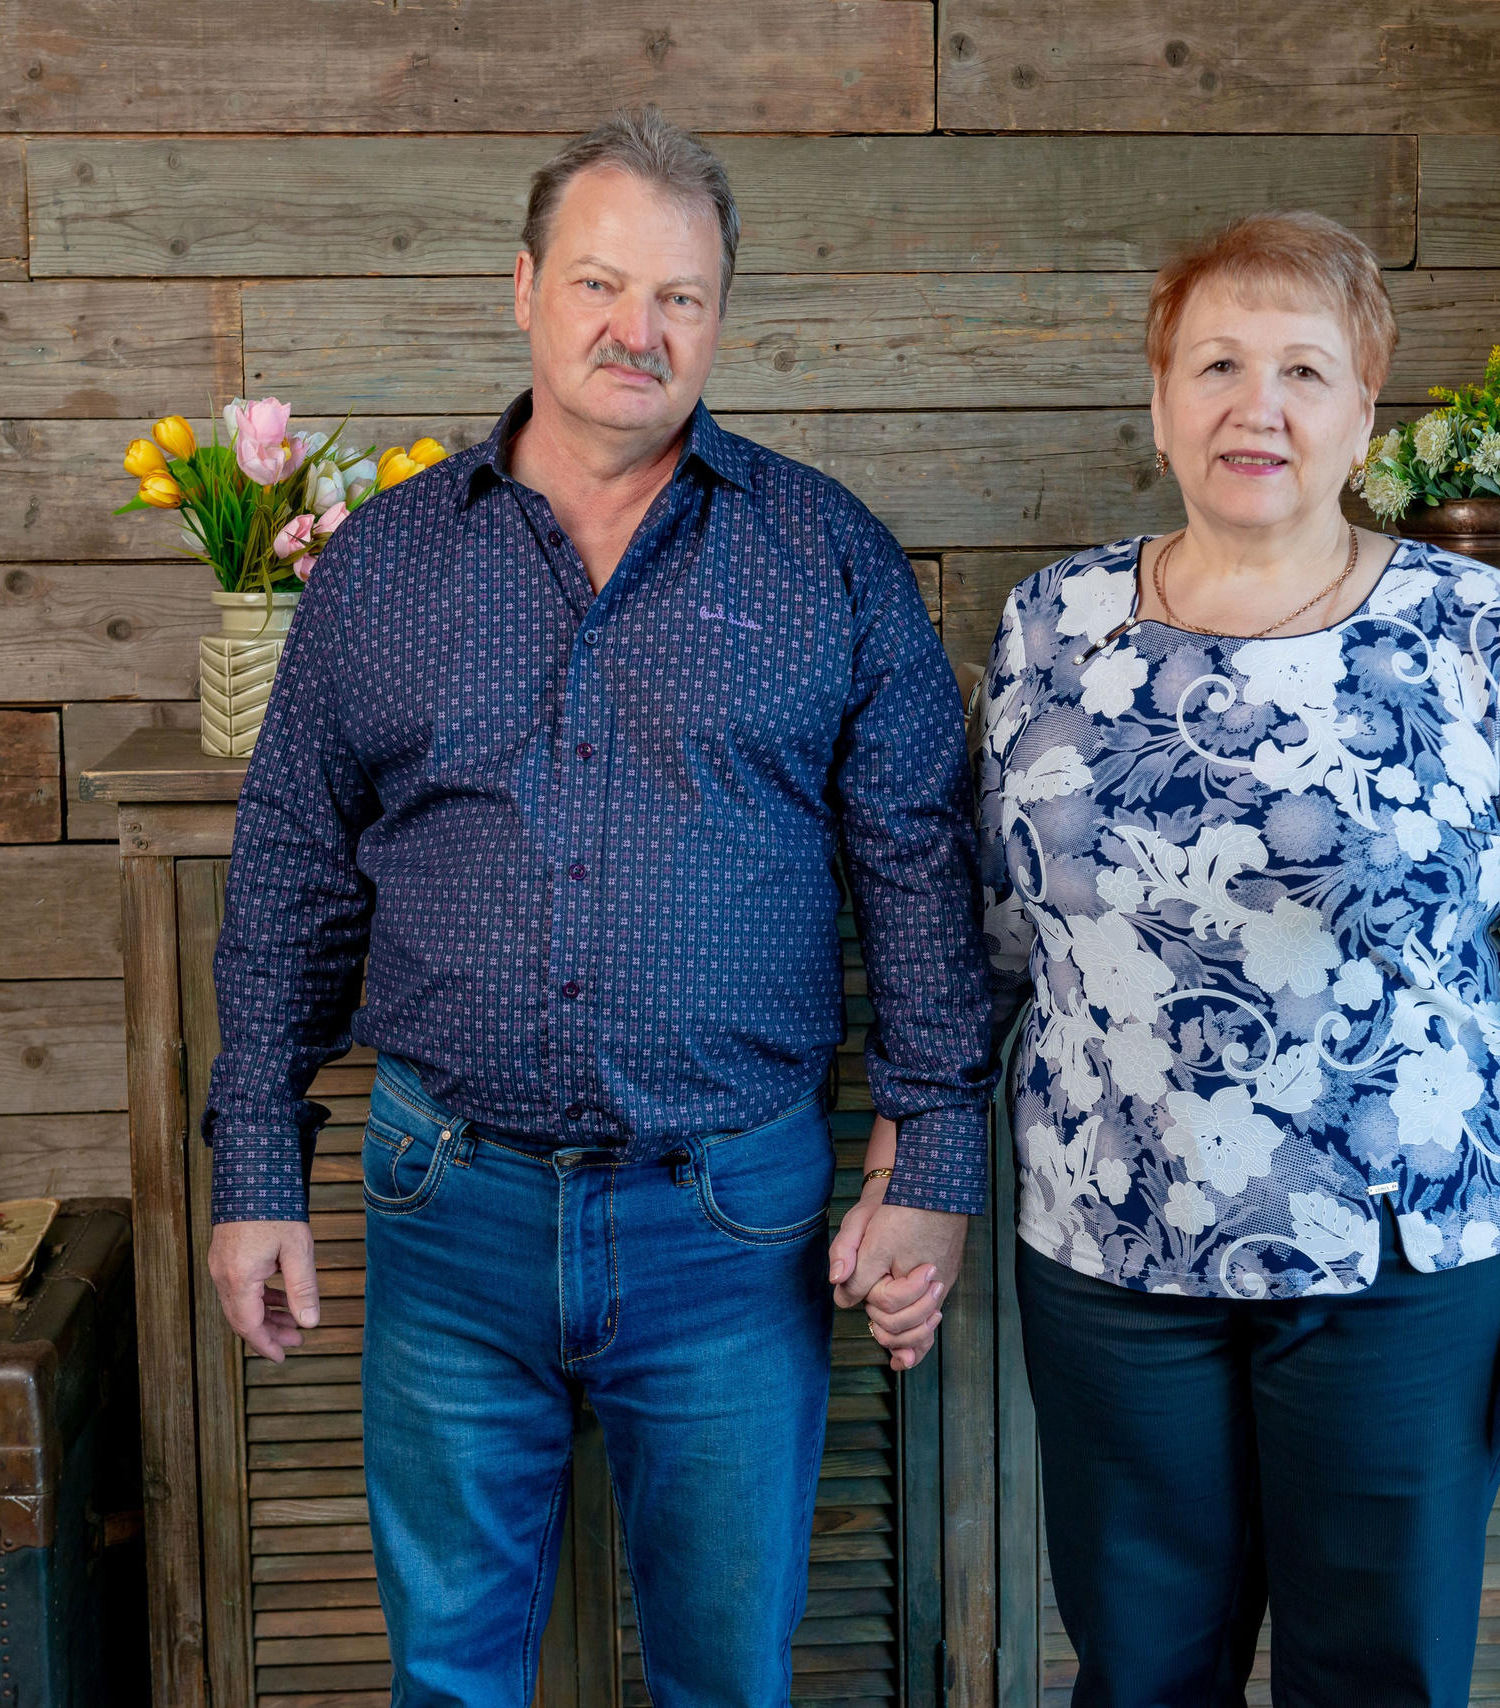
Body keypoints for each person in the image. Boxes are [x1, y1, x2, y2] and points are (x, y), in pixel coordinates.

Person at [202, 108, 994, 1708]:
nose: (639, 329)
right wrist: (257, 1168)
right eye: (601, 284)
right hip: (446, 1208)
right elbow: (291, 868)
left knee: (724, 1676)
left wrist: (937, 1157)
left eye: (681, 298)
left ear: (719, 318)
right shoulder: (382, 566)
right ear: (523, 289)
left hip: (733, 1221)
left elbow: (920, 869)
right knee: (451, 1679)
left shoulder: (823, 551)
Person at [975, 211, 1500, 1706]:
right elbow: (1001, 941)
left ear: (1363, 421)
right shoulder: (1051, 626)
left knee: (1374, 1681)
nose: (1252, 406)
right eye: (1214, 365)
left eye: (1301, 371)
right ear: (1158, 406)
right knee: (1140, 1675)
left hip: (1400, 1267)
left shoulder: (1487, 634)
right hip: (1110, 1260)